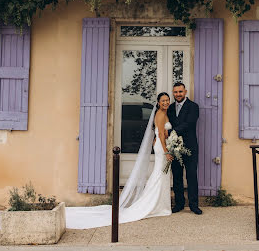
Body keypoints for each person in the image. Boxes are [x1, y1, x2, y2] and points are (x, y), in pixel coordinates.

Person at [65, 92, 173, 229]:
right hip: (162, 148)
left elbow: (161, 134)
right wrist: (167, 151)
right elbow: (161, 136)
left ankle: (160, 204)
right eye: (163, 100)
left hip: (160, 146)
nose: (165, 102)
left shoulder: (162, 113)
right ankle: (154, 204)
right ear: (158, 102)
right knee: (159, 174)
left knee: (160, 174)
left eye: (167, 100)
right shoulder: (161, 114)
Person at [167, 82, 202, 215]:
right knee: (177, 176)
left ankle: (194, 205)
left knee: (192, 175)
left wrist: (172, 132)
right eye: (175, 92)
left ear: (185, 92)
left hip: (190, 146)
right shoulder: (170, 108)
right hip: (174, 147)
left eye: (180, 92)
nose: (178, 94)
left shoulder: (193, 107)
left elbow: (189, 123)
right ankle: (179, 204)